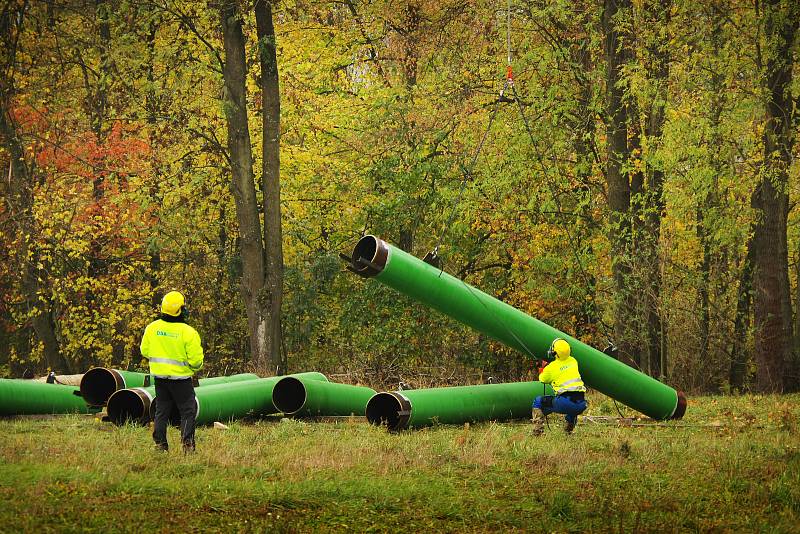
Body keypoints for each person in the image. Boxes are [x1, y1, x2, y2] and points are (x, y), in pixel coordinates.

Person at [140, 291, 204, 452]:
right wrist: (192, 369)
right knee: (188, 412)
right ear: (180, 310)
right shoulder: (188, 332)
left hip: (160, 379)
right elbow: (196, 362)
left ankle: (160, 444)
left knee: (161, 411)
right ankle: (187, 445)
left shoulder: (152, 328)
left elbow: (144, 351)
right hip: (181, 380)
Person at [531, 338, 587, 435]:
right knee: (573, 408)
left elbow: (543, 379)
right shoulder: (573, 361)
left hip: (565, 403)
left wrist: (543, 368)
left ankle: (537, 431)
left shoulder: (551, 367)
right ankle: (569, 429)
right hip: (581, 403)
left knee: (538, 401)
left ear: (554, 353)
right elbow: (563, 369)